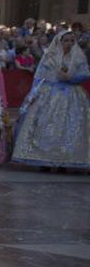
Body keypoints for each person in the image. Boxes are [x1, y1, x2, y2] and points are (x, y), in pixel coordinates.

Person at [12, 31, 90, 172]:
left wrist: (70, 78)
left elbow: (85, 73)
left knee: (69, 126)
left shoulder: (78, 56)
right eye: (66, 40)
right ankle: (44, 160)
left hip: (72, 95)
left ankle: (64, 161)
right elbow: (40, 76)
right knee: (46, 125)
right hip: (50, 94)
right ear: (59, 42)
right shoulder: (50, 56)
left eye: (72, 40)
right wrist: (33, 94)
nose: (69, 44)